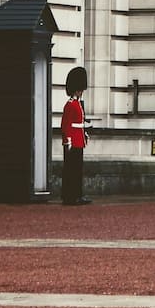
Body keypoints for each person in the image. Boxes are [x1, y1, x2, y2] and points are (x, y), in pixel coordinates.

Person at [61, 66, 92, 205]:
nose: (81, 92)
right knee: (70, 170)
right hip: (72, 141)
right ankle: (69, 196)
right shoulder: (70, 105)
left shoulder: (78, 104)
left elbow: (80, 122)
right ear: (75, 89)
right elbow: (66, 124)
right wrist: (68, 141)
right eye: (80, 90)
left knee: (78, 170)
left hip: (79, 140)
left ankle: (77, 195)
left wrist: (85, 132)